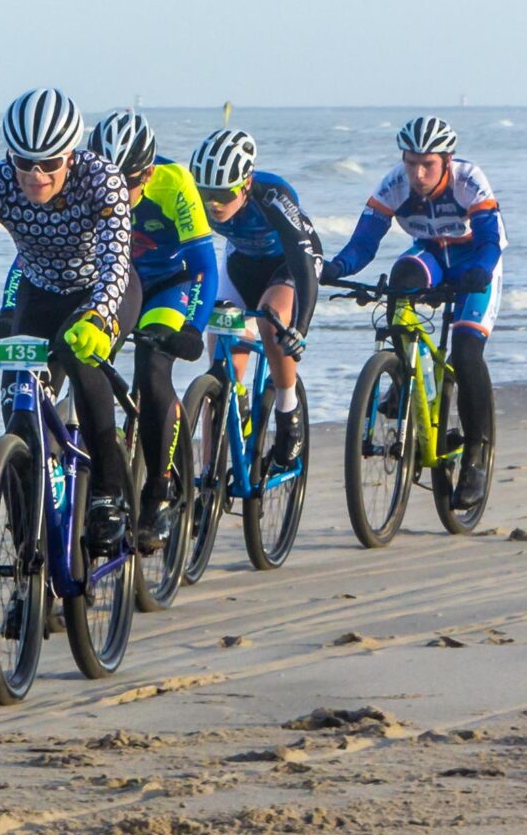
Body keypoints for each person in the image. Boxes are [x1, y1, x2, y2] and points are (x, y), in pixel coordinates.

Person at [0, 89, 139, 555]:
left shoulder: (102, 179)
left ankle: (107, 495)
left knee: (85, 369)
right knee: (18, 408)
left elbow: (116, 260)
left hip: (103, 291)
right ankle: (27, 554)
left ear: (71, 155)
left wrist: (99, 316)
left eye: (49, 163)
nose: (36, 175)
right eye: (24, 161)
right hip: (39, 293)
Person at [320, 114, 505, 509]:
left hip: (475, 261)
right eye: (411, 162)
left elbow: (493, 240)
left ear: (447, 160)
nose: (418, 173)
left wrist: (481, 272)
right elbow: (364, 243)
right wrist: (336, 268)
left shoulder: (469, 180)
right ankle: (404, 374)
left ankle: (475, 456)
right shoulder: (394, 184)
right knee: (401, 277)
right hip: (433, 255)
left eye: (428, 164)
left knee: (466, 351)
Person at [88, 110, 219, 553]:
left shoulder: (173, 182)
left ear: (147, 172)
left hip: (168, 286)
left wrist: (194, 327)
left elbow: (203, 265)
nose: (117, 196)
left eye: (127, 184)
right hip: (116, 285)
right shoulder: (84, 182)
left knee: (151, 370)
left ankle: (160, 491)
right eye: (110, 181)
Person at [188, 127, 323, 469]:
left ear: (246, 184)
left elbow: (303, 264)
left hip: (288, 264)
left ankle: (288, 412)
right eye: (205, 193)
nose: (213, 203)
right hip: (242, 263)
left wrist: (300, 329)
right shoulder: (199, 201)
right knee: (222, 353)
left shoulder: (274, 196)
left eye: (223, 193)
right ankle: (209, 474)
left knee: (270, 317)